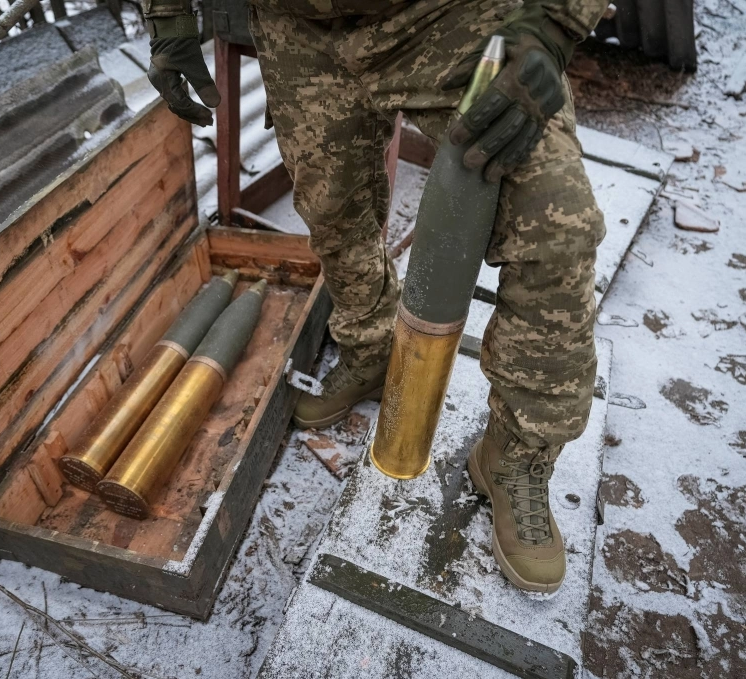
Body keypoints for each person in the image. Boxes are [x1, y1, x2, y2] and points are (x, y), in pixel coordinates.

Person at [143, 0, 608, 594]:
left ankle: (515, 458)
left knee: (555, 229)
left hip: (448, 17)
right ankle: (369, 350)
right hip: (296, 25)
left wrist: (556, 22)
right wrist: (166, 13)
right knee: (334, 213)